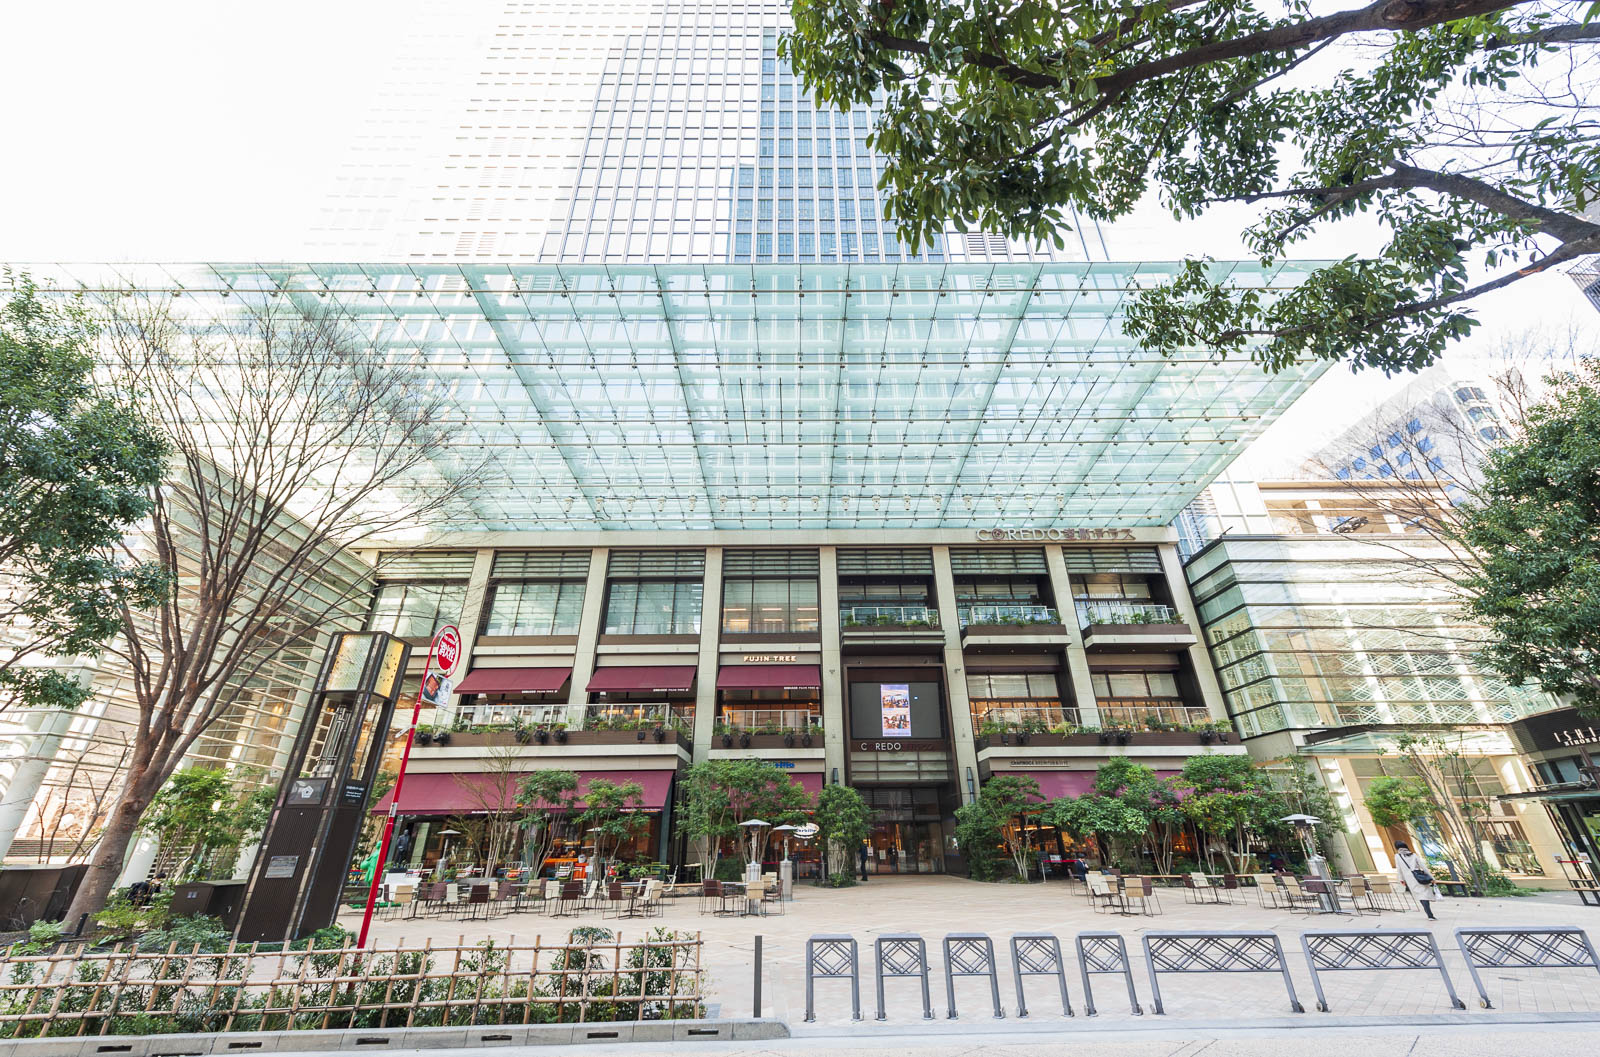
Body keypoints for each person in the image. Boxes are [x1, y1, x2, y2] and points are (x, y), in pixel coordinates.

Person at [1394, 842, 1441, 919]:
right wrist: (1431, 877)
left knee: (1420, 896)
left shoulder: (1397, 856)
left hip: (1410, 879)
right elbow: (1423, 867)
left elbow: (1399, 869)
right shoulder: (1414, 855)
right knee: (1424, 894)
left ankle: (1429, 915)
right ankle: (1430, 915)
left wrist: (1401, 879)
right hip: (1420, 877)